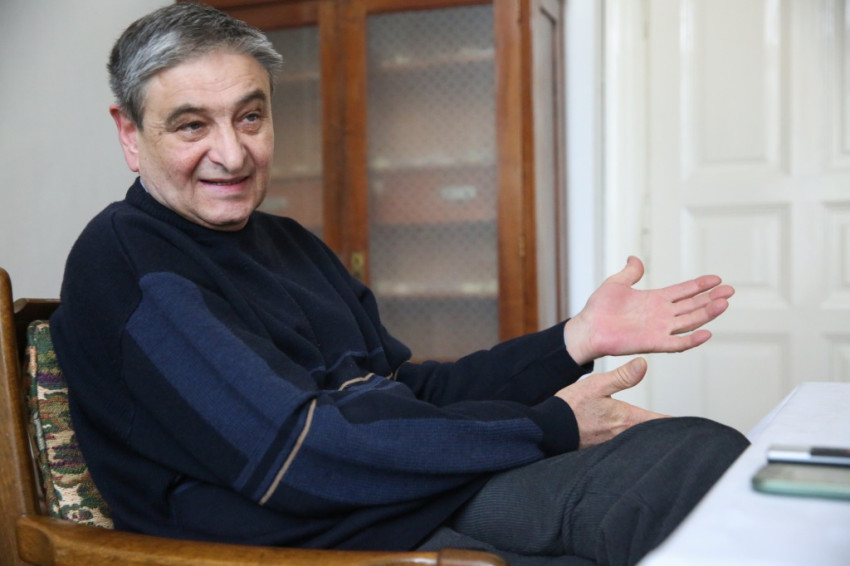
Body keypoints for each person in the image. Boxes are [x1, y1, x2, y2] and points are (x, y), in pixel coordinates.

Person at [50, 4, 748, 565]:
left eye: (250, 116)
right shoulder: (129, 263)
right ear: (130, 134)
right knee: (686, 479)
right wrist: (555, 425)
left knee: (695, 452)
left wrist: (575, 340)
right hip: (314, 542)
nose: (231, 154)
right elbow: (302, 453)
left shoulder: (287, 241)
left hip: (397, 499)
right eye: (191, 125)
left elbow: (409, 391)